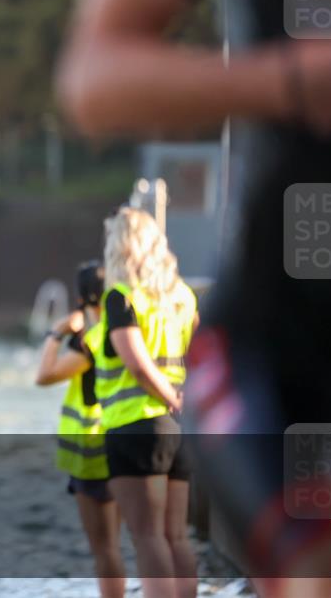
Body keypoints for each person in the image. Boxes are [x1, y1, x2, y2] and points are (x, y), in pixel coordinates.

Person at [56, 0, 331, 595]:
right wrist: (305, 82)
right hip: (285, 345)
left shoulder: (154, 297)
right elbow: (92, 79)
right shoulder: (115, 298)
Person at [94, 208, 198, 598]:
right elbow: (199, 350)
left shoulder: (121, 298)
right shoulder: (182, 297)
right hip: (177, 429)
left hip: (136, 424)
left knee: (148, 536)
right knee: (176, 536)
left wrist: (167, 397)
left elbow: (137, 365)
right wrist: (181, 398)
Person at [36, 261, 125, 598]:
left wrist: (56, 333)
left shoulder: (90, 340)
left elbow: (44, 376)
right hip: (127, 436)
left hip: (92, 451)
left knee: (106, 549)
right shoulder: (128, 331)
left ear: (83, 297)